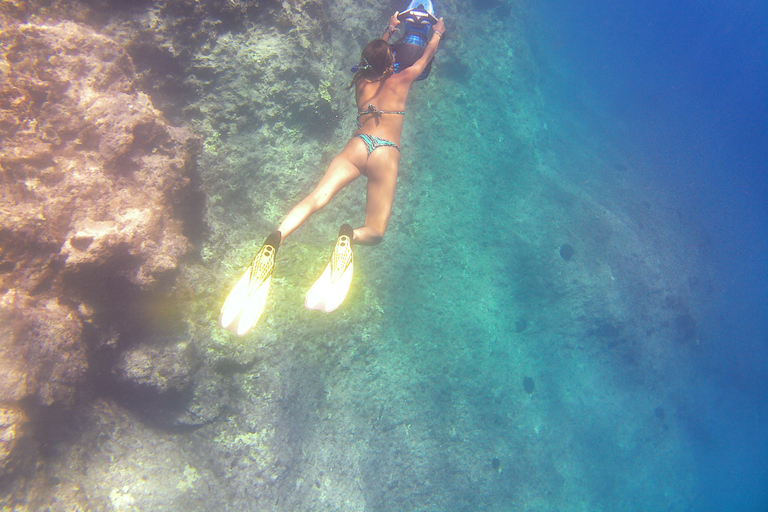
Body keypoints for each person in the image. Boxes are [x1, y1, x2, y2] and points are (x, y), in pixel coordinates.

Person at [220, 12, 447, 336]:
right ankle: (348, 236)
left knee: (316, 198)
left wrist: (388, 30)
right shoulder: (401, 79)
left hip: (358, 145)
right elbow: (424, 60)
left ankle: (276, 238)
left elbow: (372, 58)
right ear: (391, 64)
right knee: (376, 231)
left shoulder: (361, 82)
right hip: (385, 153)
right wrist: (436, 33)